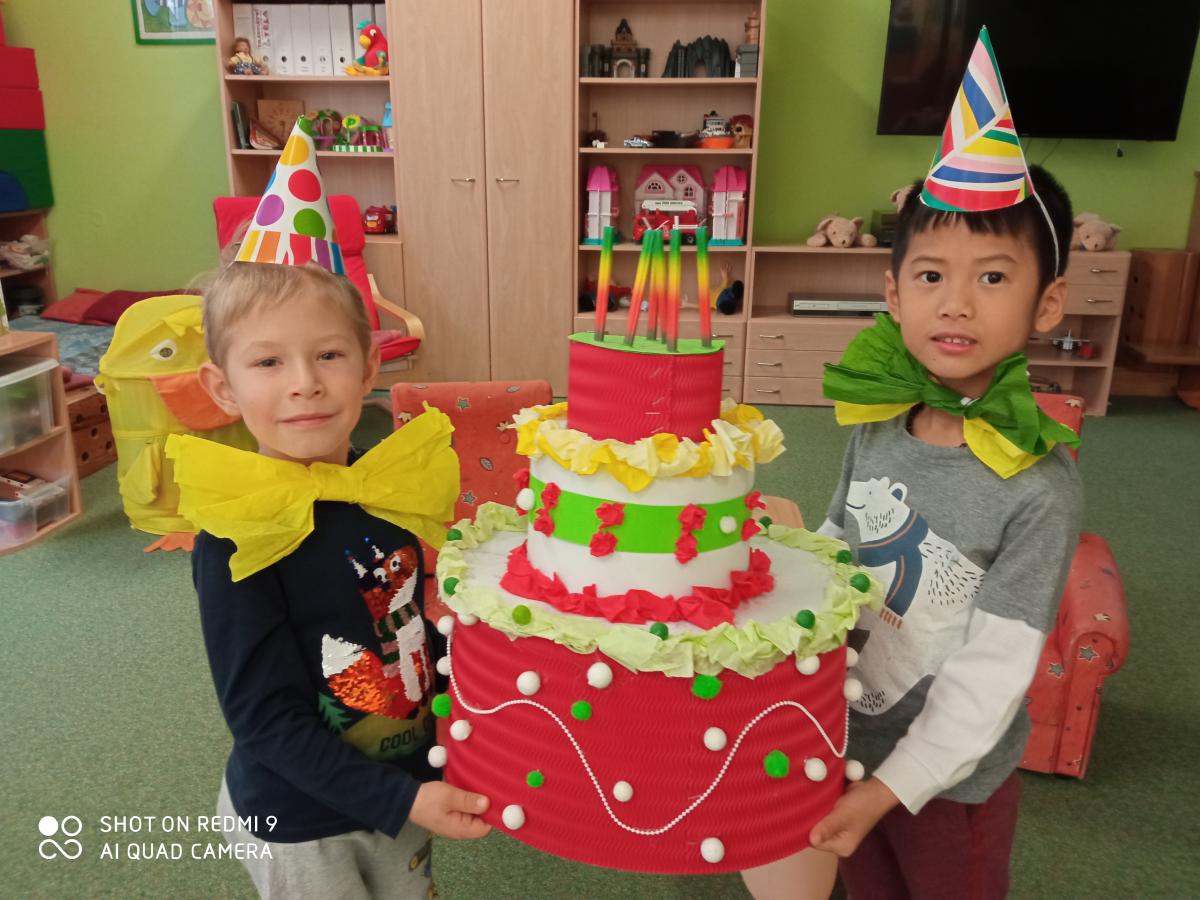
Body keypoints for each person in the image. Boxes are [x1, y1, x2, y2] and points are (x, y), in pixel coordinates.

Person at [808, 28, 1084, 899]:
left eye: (993, 278)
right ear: (893, 295)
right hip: (847, 741)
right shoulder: (878, 427)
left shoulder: (1036, 488)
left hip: (948, 784)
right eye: (930, 276)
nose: (956, 303)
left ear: (1048, 304)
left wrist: (894, 788)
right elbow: (838, 549)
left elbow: (994, 673)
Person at [167, 260, 489, 898]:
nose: (305, 384)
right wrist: (399, 798)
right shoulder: (239, 534)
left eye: (328, 355)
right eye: (268, 362)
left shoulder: (383, 489)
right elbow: (264, 721)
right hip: (301, 821)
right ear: (222, 387)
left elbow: (400, 623)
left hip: (403, 784)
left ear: (368, 367)